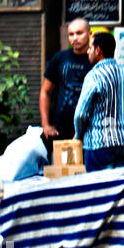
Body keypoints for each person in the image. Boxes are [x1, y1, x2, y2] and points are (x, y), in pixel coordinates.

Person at [73, 31, 124, 172]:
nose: (88, 52)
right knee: (119, 191)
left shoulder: (94, 75)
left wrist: (78, 135)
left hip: (99, 145)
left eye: (90, 48)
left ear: (98, 50)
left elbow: (81, 114)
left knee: (99, 191)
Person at [40, 16, 94, 155]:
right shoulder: (60, 58)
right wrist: (46, 125)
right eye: (71, 34)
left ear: (89, 33)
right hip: (62, 131)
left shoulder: (96, 59)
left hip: (91, 132)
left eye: (79, 33)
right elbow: (45, 92)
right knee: (63, 173)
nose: (74, 38)